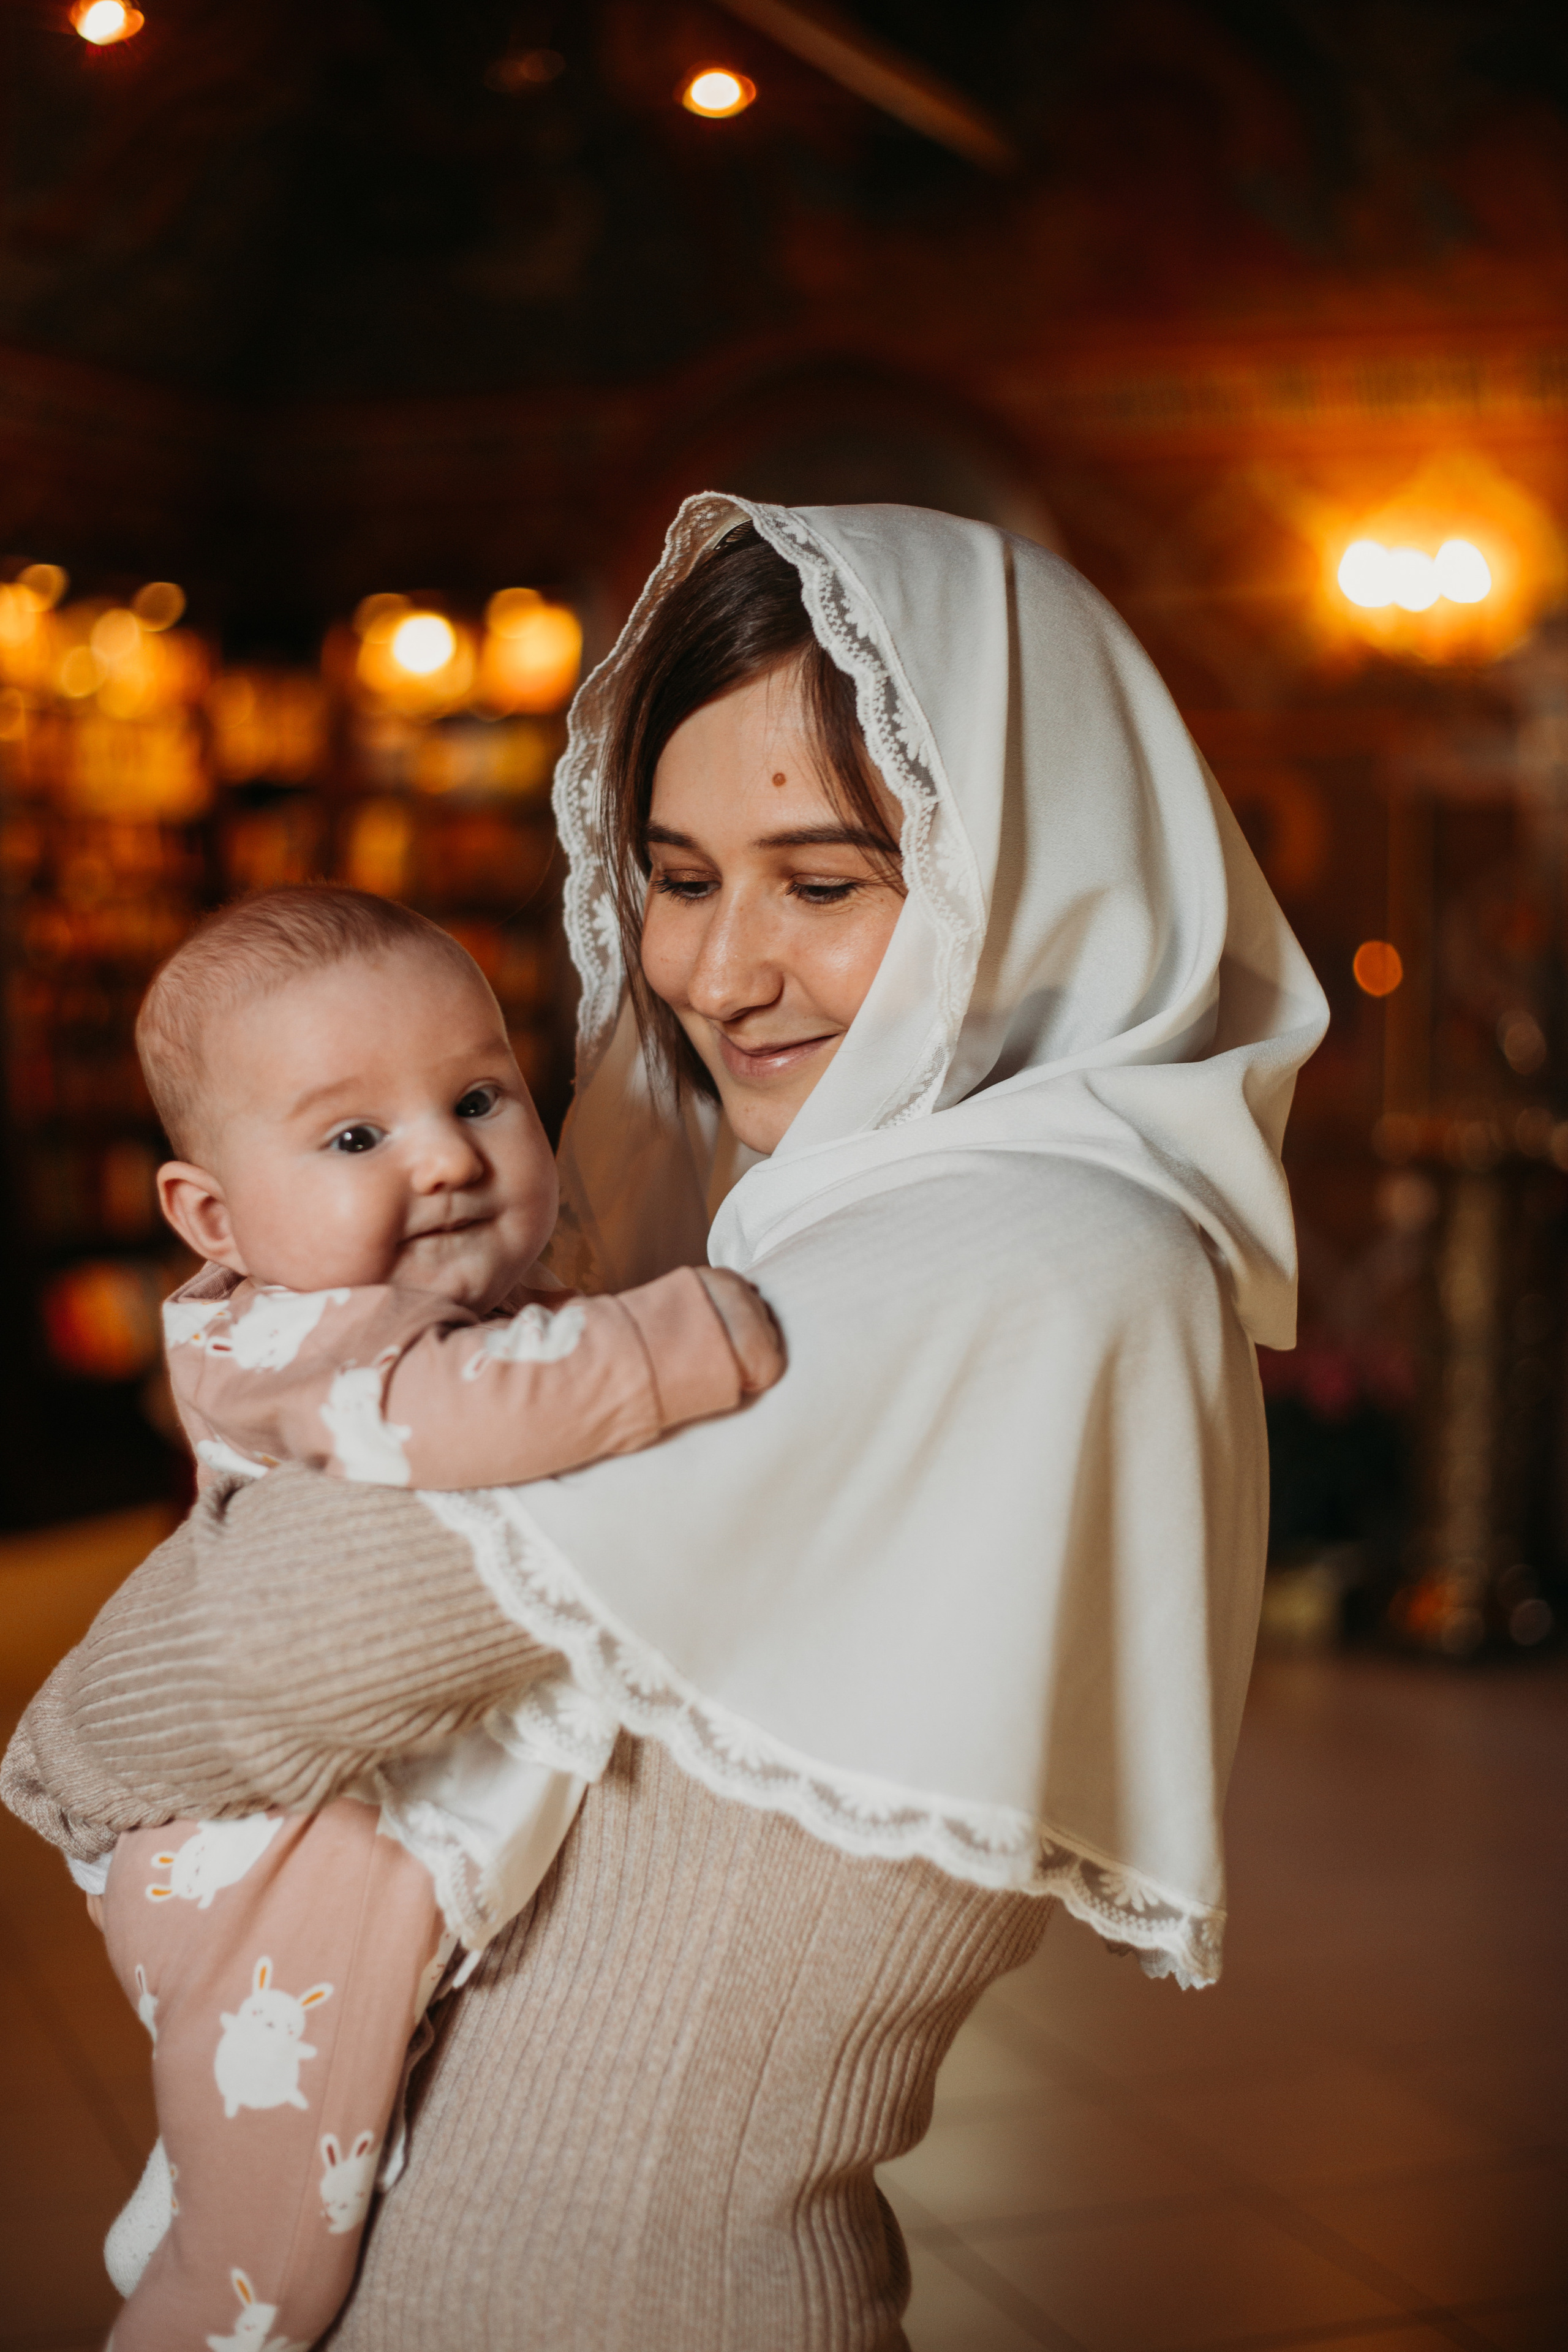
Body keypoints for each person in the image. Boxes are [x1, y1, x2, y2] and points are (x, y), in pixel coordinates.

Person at [4, 497, 1327, 2351]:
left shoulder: (1002, 1247)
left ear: (1023, 873)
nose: (717, 975)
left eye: (825, 880)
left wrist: (97, 1692)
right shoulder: (855, 1209)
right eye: (682, 877)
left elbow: (225, 1675)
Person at [69, 886, 783, 2350]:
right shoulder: (284, 1337)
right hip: (271, 1872)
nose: (449, 1158)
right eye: (354, 1137)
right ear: (215, 1217)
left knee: (316, 2146)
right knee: (272, 2270)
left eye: (478, 1095)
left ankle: (197, 2187)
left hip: (340, 1844)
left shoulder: (454, 1289)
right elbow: (461, 1415)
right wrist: (687, 1330)